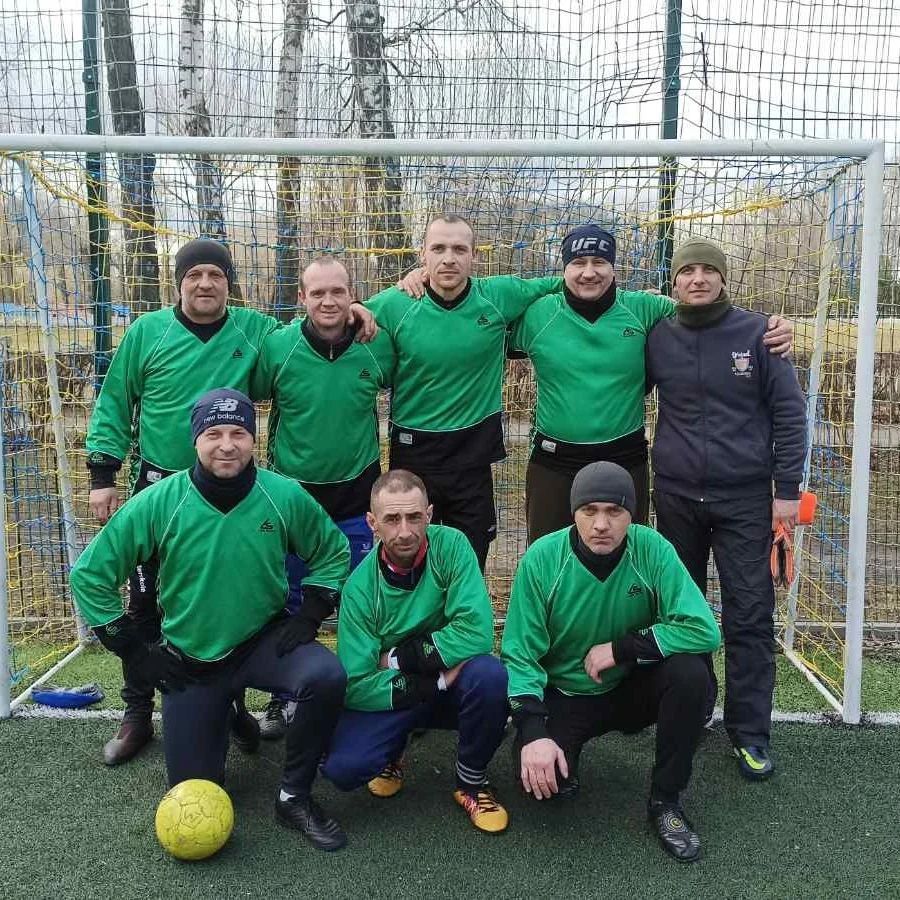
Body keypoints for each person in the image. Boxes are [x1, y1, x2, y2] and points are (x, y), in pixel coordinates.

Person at [85, 238, 376, 764]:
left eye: (215, 275)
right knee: (145, 608)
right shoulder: (147, 332)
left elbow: (311, 329)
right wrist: (103, 473)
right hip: (161, 489)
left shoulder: (255, 330)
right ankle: (137, 713)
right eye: (193, 275)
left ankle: (232, 705)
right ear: (178, 282)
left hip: (235, 494)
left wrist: (355, 310)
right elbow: (115, 400)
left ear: (229, 283)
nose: (204, 284)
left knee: (232, 602)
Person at [71, 389, 352, 851]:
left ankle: (294, 797)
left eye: (238, 433)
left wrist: (312, 612)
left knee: (326, 676)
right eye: (214, 433)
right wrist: (135, 651)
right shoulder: (159, 502)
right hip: (192, 657)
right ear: (195, 440)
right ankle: (230, 710)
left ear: (254, 439)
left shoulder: (282, 495)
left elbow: (332, 549)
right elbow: (90, 575)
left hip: (264, 639)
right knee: (192, 786)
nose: (226, 445)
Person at [503, 224, 795, 543]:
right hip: (554, 462)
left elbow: (707, 313)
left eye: (599, 262)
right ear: (564, 270)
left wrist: (768, 325)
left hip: (625, 460)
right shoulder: (539, 315)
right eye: (578, 263)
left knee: (626, 558)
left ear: (613, 268)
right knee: (548, 558)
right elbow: (485, 336)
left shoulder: (646, 309)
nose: (589, 272)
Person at [501, 462, 721, 862]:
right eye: (590, 511)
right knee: (542, 788)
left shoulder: (652, 549)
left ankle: (666, 801)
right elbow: (520, 655)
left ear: (631, 515)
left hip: (630, 686)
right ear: (574, 512)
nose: (601, 524)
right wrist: (532, 731)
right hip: (567, 695)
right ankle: (561, 755)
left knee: (690, 673)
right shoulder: (541, 560)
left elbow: (705, 630)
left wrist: (624, 649)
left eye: (614, 511)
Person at [646, 239, 807, 782]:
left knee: (750, 613)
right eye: (687, 270)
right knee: (682, 613)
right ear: (673, 282)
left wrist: (787, 489)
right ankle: (692, 710)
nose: (697, 279)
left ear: (722, 278)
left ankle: (750, 731)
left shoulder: (760, 334)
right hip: (676, 497)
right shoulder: (658, 336)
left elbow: (790, 413)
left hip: (746, 499)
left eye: (707, 270)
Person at [250, 256, 396, 739]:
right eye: (318, 293)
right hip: (294, 502)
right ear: (302, 298)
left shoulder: (377, 345)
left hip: (357, 498)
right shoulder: (278, 347)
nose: (328, 301)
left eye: (338, 291)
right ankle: (281, 696)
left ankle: (361, 695)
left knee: (360, 603)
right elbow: (250, 393)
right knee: (288, 602)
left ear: (353, 294)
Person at [365, 216, 562, 570]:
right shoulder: (398, 302)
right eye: (438, 248)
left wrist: (634, 300)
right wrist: (359, 305)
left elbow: (569, 283)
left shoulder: (498, 295)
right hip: (415, 454)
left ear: (474, 256)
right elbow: (351, 313)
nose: (449, 258)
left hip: (472, 458)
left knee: (469, 563)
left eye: (459, 249)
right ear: (423, 255)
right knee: (410, 558)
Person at [321, 469, 510, 834]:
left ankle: (471, 782)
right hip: (416, 689)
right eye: (392, 519)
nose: (405, 531)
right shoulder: (359, 589)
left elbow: (477, 633)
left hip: (438, 683)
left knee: (490, 676)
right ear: (372, 523)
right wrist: (435, 681)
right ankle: (393, 752)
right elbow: (356, 684)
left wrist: (394, 658)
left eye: (414, 517)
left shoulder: (452, 547)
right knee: (343, 770)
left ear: (430, 514)